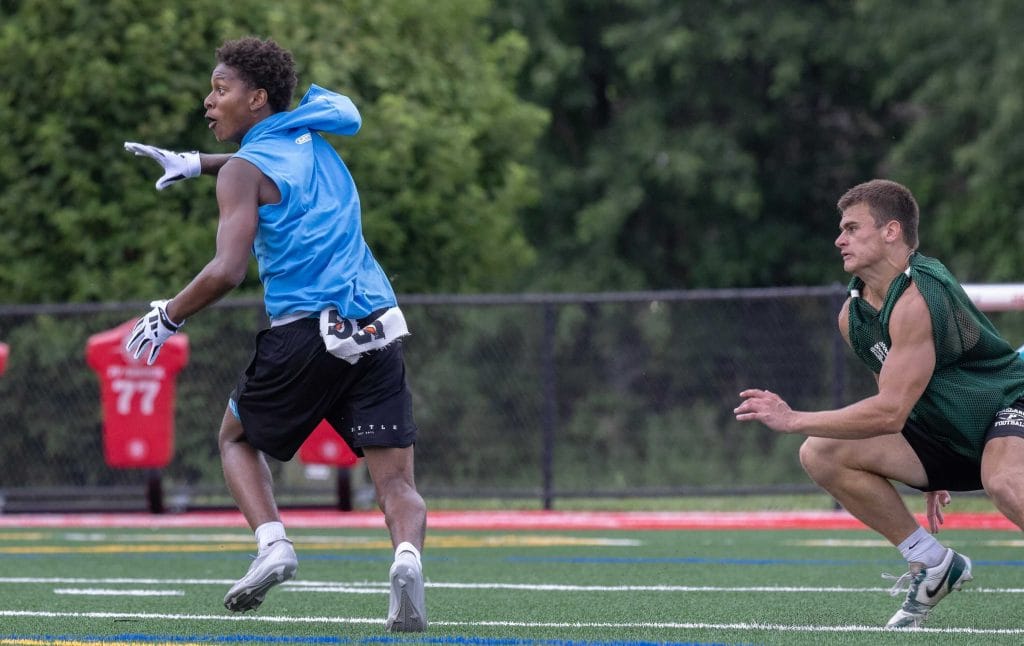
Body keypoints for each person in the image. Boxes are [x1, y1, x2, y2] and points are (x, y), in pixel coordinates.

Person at [124, 37, 427, 632]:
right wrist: (195, 161)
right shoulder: (310, 133)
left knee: (236, 438)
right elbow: (266, 160)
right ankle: (407, 559)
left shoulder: (242, 171)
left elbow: (226, 271)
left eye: (220, 88)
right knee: (396, 482)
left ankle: (273, 544)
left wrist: (168, 316)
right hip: (375, 326)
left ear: (256, 98)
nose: (208, 101)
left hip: (306, 331)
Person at [734, 178, 1024, 628]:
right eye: (841, 229)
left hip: (1011, 400)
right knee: (821, 451)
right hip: (953, 432)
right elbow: (894, 405)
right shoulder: (854, 315)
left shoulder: (919, 296)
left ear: (891, 231)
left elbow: (889, 411)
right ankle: (932, 562)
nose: (839, 239)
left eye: (852, 228)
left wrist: (791, 418)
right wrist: (929, 473)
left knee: (1005, 483)